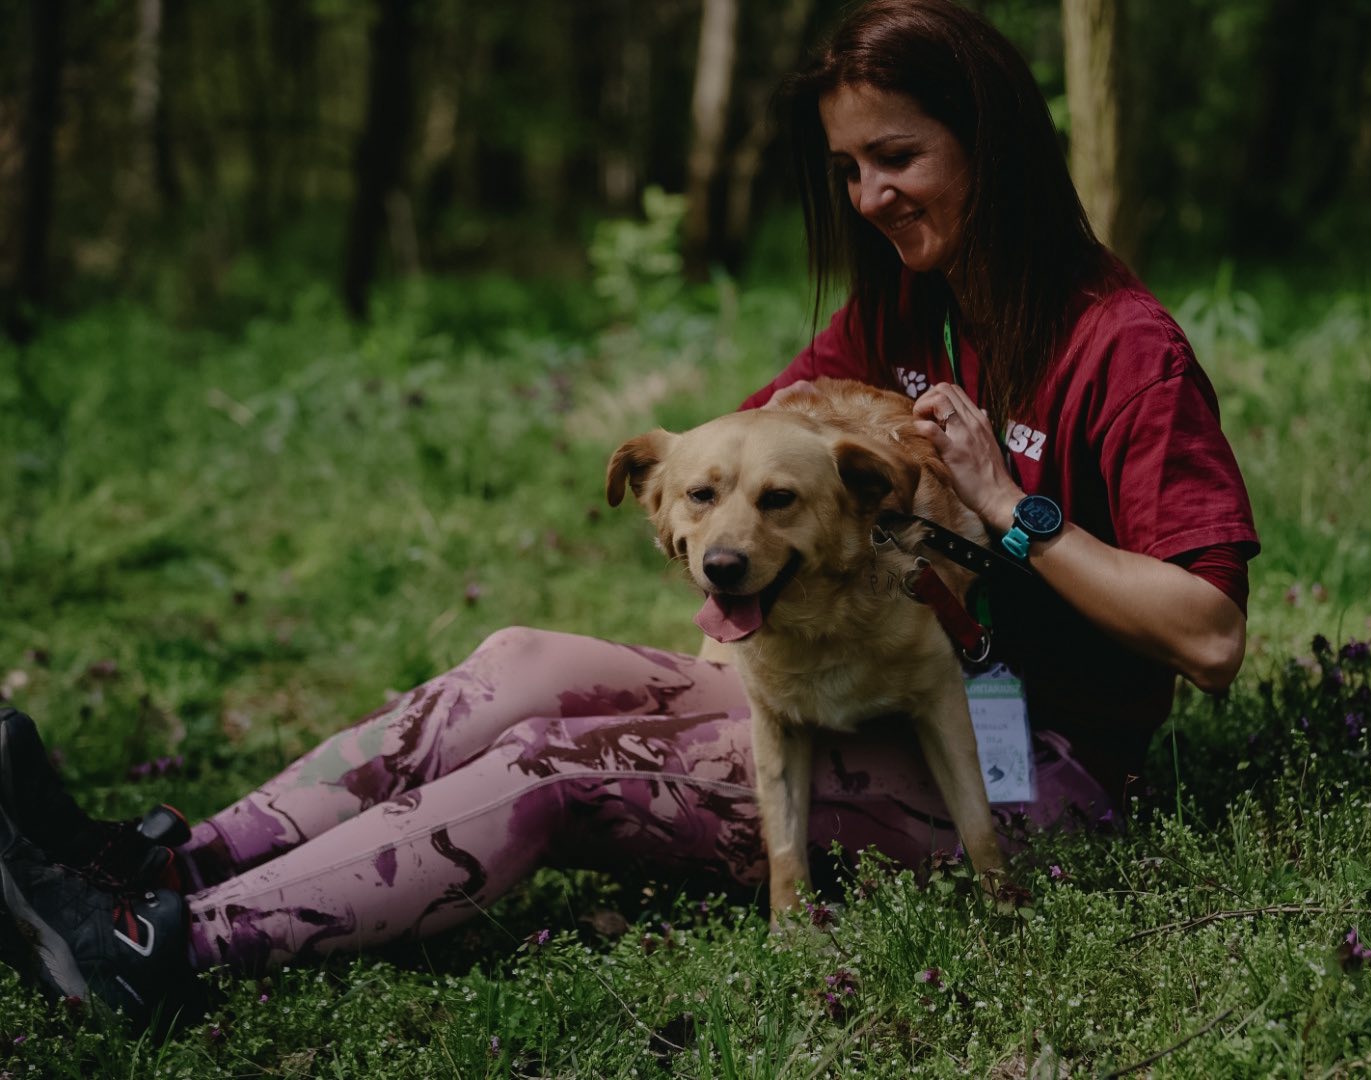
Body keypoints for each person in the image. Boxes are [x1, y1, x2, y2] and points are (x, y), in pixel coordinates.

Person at [0, 0, 1257, 1025]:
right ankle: (167, 862)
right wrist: (694, 509)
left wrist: (1012, 510)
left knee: (557, 771)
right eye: (848, 169)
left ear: (995, 145)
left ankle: (157, 950)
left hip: (1032, 762)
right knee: (520, 666)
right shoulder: (913, 305)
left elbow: (1207, 637)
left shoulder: (1122, 348)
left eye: (900, 158)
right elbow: (746, 446)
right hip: (843, 668)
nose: (870, 198)